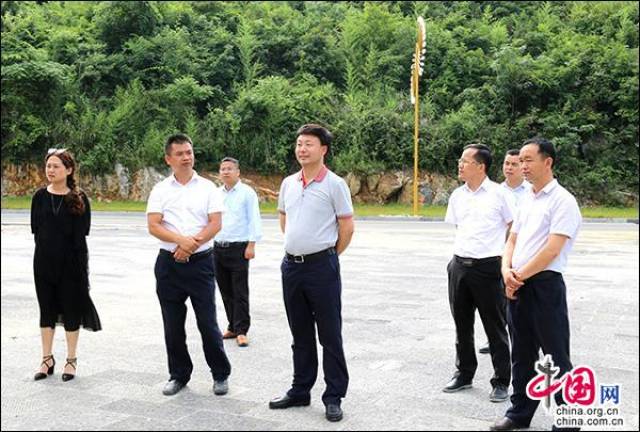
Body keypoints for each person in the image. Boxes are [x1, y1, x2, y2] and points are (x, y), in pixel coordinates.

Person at [491, 138, 582, 431]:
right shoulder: (526, 198)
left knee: (555, 355)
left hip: (544, 286)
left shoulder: (563, 201)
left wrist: (518, 275)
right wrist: (506, 269)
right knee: (522, 353)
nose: (522, 166)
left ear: (548, 162)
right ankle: (519, 413)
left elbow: (552, 250)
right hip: (517, 284)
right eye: (521, 160)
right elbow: (513, 239)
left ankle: (568, 419)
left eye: (529, 160)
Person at [269, 124, 355, 423]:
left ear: (323, 149)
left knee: (330, 334)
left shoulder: (335, 184)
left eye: (308, 144)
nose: (302, 149)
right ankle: (300, 389)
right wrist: (298, 249)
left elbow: (346, 227)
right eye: (299, 144)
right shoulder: (288, 183)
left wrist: (327, 255)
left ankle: (333, 396)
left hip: (322, 267)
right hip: (292, 266)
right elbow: (284, 219)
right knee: (300, 332)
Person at [147, 133, 231, 397]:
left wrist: (190, 245)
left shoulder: (208, 188)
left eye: (189, 152)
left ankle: (220, 374)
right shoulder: (160, 190)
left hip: (201, 264)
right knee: (172, 324)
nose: (186, 157)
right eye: (180, 154)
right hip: (168, 264)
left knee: (207, 322)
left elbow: (215, 224)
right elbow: (154, 225)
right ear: (168, 159)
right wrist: (180, 242)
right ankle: (178, 374)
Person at [443, 143, 514, 403]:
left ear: (481, 166)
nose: (460, 165)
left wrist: (504, 257)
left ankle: (501, 381)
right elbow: (459, 227)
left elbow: (513, 226)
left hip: (488, 268)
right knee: (462, 325)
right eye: (460, 161)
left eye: (465, 161)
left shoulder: (499, 194)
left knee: (494, 327)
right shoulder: (457, 196)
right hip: (459, 266)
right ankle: (464, 373)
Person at [30, 148, 101, 382]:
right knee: (46, 310)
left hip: (71, 266)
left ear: (68, 170)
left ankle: (71, 360)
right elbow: (36, 231)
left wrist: (82, 272)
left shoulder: (79, 199)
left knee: (71, 311)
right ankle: (46, 358)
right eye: (48, 165)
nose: (50, 170)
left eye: (56, 166)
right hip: (43, 264)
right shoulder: (39, 197)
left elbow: (82, 237)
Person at [479, 149, 531, 355]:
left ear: (522, 167)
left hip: (525, 252)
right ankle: (496, 338)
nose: (509, 168)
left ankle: (520, 338)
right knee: (496, 299)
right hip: (498, 253)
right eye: (506, 164)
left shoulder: (531, 191)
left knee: (520, 297)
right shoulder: (494, 191)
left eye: (514, 164)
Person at [214, 156, 263, 347]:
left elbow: (254, 220)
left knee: (239, 291)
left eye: (229, 168)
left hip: (239, 248)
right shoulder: (216, 194)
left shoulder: (247, 193)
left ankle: (242, 330)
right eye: (222, 169)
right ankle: (232, 326)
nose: (225, 171)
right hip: (218, 247)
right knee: (225, 290)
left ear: (237, 172)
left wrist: (251, 245)